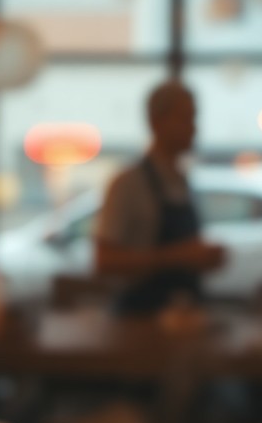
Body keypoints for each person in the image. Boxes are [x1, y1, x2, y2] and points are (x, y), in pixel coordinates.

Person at [94, 81, 226, 317]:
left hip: (183, 318)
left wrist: (203, 257)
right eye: (185, 118)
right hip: (139, 323)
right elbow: (104, 261)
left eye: (193, 118)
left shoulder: (182, 180)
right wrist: (178, 256)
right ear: (156, 122)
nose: (193, 128)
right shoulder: (127, 184)